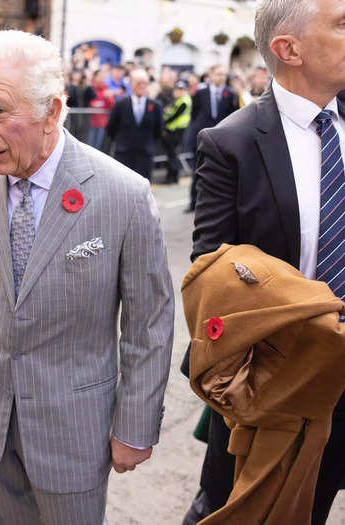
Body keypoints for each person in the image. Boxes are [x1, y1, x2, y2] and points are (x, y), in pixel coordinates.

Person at [0, 30, 174, 525]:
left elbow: (149, 322)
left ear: (52, 111)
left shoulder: (122, 194)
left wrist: (135, 425)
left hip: (74, 432)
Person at [181, 0, 345, 523]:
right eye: (342, 23)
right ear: (288, 49)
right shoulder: (231, 143)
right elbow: (213, 273)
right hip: (282, 380)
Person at [185, 64, 238, 212]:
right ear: (211, 75)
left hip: (222, 138)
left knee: (221, 172)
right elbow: (194, 116)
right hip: (202, 137)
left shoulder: (230, 94)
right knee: (198, 170)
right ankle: (193, 202)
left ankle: (218, 204)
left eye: (223, 74)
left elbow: (234, 117)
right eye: (218, 74)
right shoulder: (200, 94)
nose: (221, 77)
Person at [105, 68, 163, 181]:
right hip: (124, 154)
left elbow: (158, 130)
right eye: (138, 83)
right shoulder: (120, 104)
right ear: (131, 84)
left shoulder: (155, 106)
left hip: (145, 155)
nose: (142, 86)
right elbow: (110, 128)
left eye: (144, 83)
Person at [161, 80, 192, 184]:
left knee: (173, 154)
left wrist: (163, 123)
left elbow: (174, 116)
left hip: (177, 130)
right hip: (173, 130)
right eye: (177, 89)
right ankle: (171, 176)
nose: (178, 91)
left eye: (181, 89)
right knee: (172, 154)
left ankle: (173, 176)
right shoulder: (178, 100)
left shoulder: (184, 101)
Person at [86, 69, 114, 151]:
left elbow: (111, 104)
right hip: (90, 121)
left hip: (102, 122)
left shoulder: (106, 88)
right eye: (99, 76)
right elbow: (90, 103)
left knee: (97, 147)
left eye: (103, 76)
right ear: (94, 77)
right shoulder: (90, 88)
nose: (101, 78)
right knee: (89, 146)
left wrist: (107, 100)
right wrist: (102, 102)